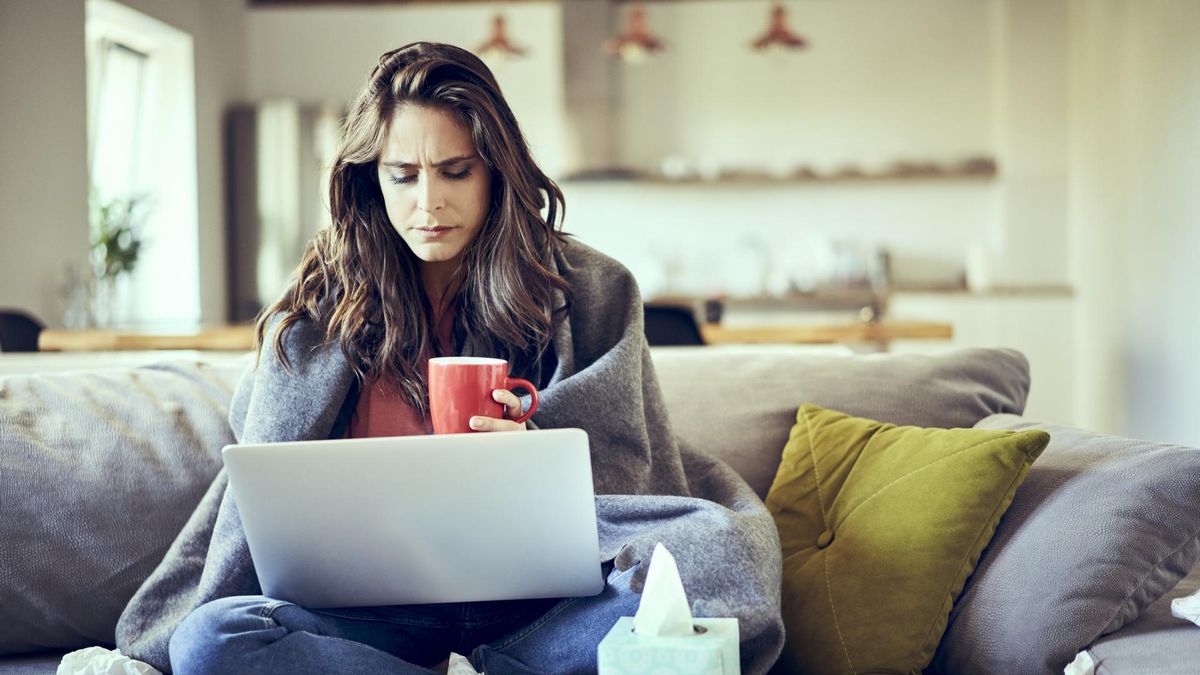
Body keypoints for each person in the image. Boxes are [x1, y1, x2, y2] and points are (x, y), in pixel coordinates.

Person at [116, 42, 784, 674]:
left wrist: (535, 449)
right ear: (369, 180)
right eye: (402, 176)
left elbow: (628, 473)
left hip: (545, 614)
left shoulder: (590, 288)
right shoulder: (320, 309)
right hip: (374, 616)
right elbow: (264, 464)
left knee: (710, 578)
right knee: (214, 638)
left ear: (498, 168)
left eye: (455, 171)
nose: (428, 202)